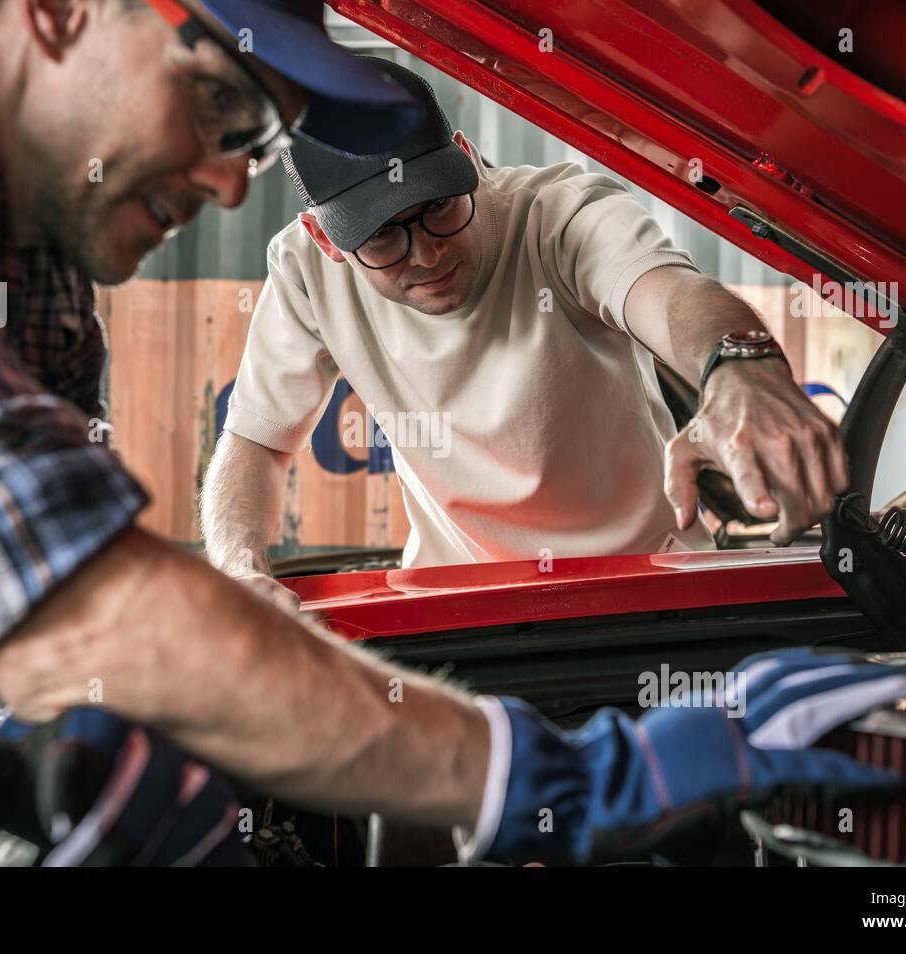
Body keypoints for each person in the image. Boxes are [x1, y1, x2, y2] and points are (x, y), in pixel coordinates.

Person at [0, 0, 895, 865]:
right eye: (219, 105)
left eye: (254, 136)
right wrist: (572, 776)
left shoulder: (37, 297)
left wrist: (734, 364)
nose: (231, 186)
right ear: (57, 10)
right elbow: (80, 596)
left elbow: (61, 638)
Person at [203, 58, 848, 609]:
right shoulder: (305, 270)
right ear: (327, 239)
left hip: (645, 588)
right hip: (453, 605)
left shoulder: (561, 215)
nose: (426, 255)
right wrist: (237, 570)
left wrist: (739, 363)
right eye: (384, 238)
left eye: (438, 208)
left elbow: (670, 294)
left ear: (464, 159)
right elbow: (255, 443)